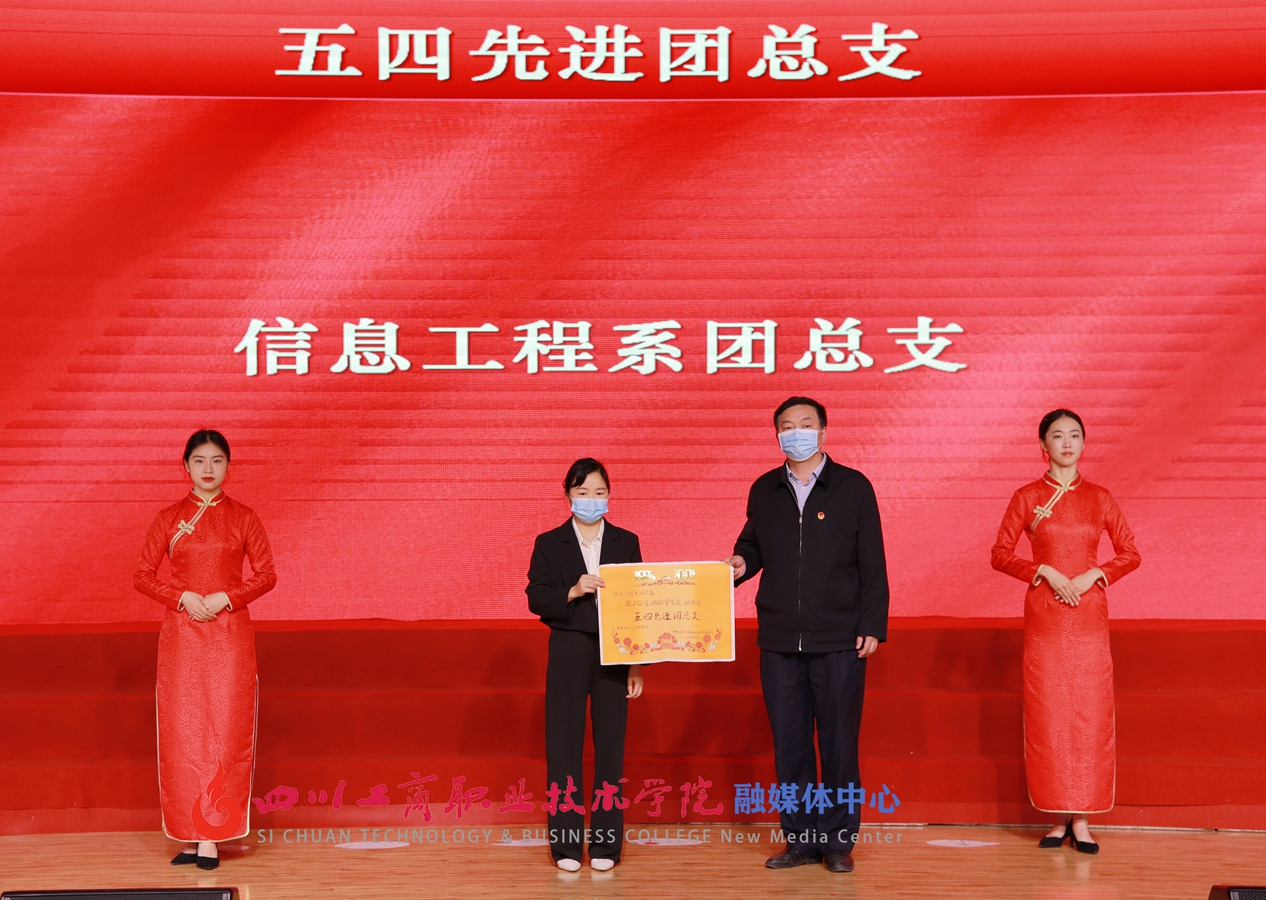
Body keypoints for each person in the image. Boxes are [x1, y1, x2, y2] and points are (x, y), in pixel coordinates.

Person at [725, 397, 889, 874]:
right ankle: (799, 840)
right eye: (786, 426)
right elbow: (752, 545)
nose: (795, 432)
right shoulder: (765, 488)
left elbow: (873, 561)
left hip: (838, 638)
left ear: (823, 432)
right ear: (777, 435)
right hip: (778, 638)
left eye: (805, 424)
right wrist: (740, 563)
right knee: (790, 747)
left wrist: (871, 624)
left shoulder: (853, 487)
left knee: (839, 745)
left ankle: (838, 842)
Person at [991, 409, 1141, 854]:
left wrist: (1095, 573)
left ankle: (1083, 819)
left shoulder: (1100, 497)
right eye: (1058, 436)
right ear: (1043, 445)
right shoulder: (1027, 496)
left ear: (1084, 443)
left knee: (1090, 714)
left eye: (1075, 435)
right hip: (1046, 615)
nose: (1068, 443)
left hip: (1089, 614)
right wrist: (1043, 571)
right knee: (1050, 712)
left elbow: (1130, 553)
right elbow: (1000, 553)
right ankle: (1057, 816)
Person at [134, 430, 276, 870]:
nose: (208, 469)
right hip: (182, 635)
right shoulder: (169, 518)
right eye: (199, 461)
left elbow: (267, 575)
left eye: (217, 460)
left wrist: (226, 597)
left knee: (225, 729)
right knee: (183, 732)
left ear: (228, 466)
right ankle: (188, 833)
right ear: (186, 466)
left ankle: (212, 833)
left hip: (229, 635)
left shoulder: (244, 517)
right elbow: (142, 575)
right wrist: (180, 597)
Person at [526, 458, 645, 872]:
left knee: (611, 750)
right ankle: (566, 847)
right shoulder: (549, 542)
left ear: (609, 495)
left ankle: (606, 847)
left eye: (598, 492)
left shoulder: (626, 541)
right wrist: (573, 590)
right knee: (563, 749)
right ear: (568, 496)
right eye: (582, 493)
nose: (591, 500)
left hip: (615, 653)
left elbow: (639, 606)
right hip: (568, 650)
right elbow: (536, 597)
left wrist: (636, 664)